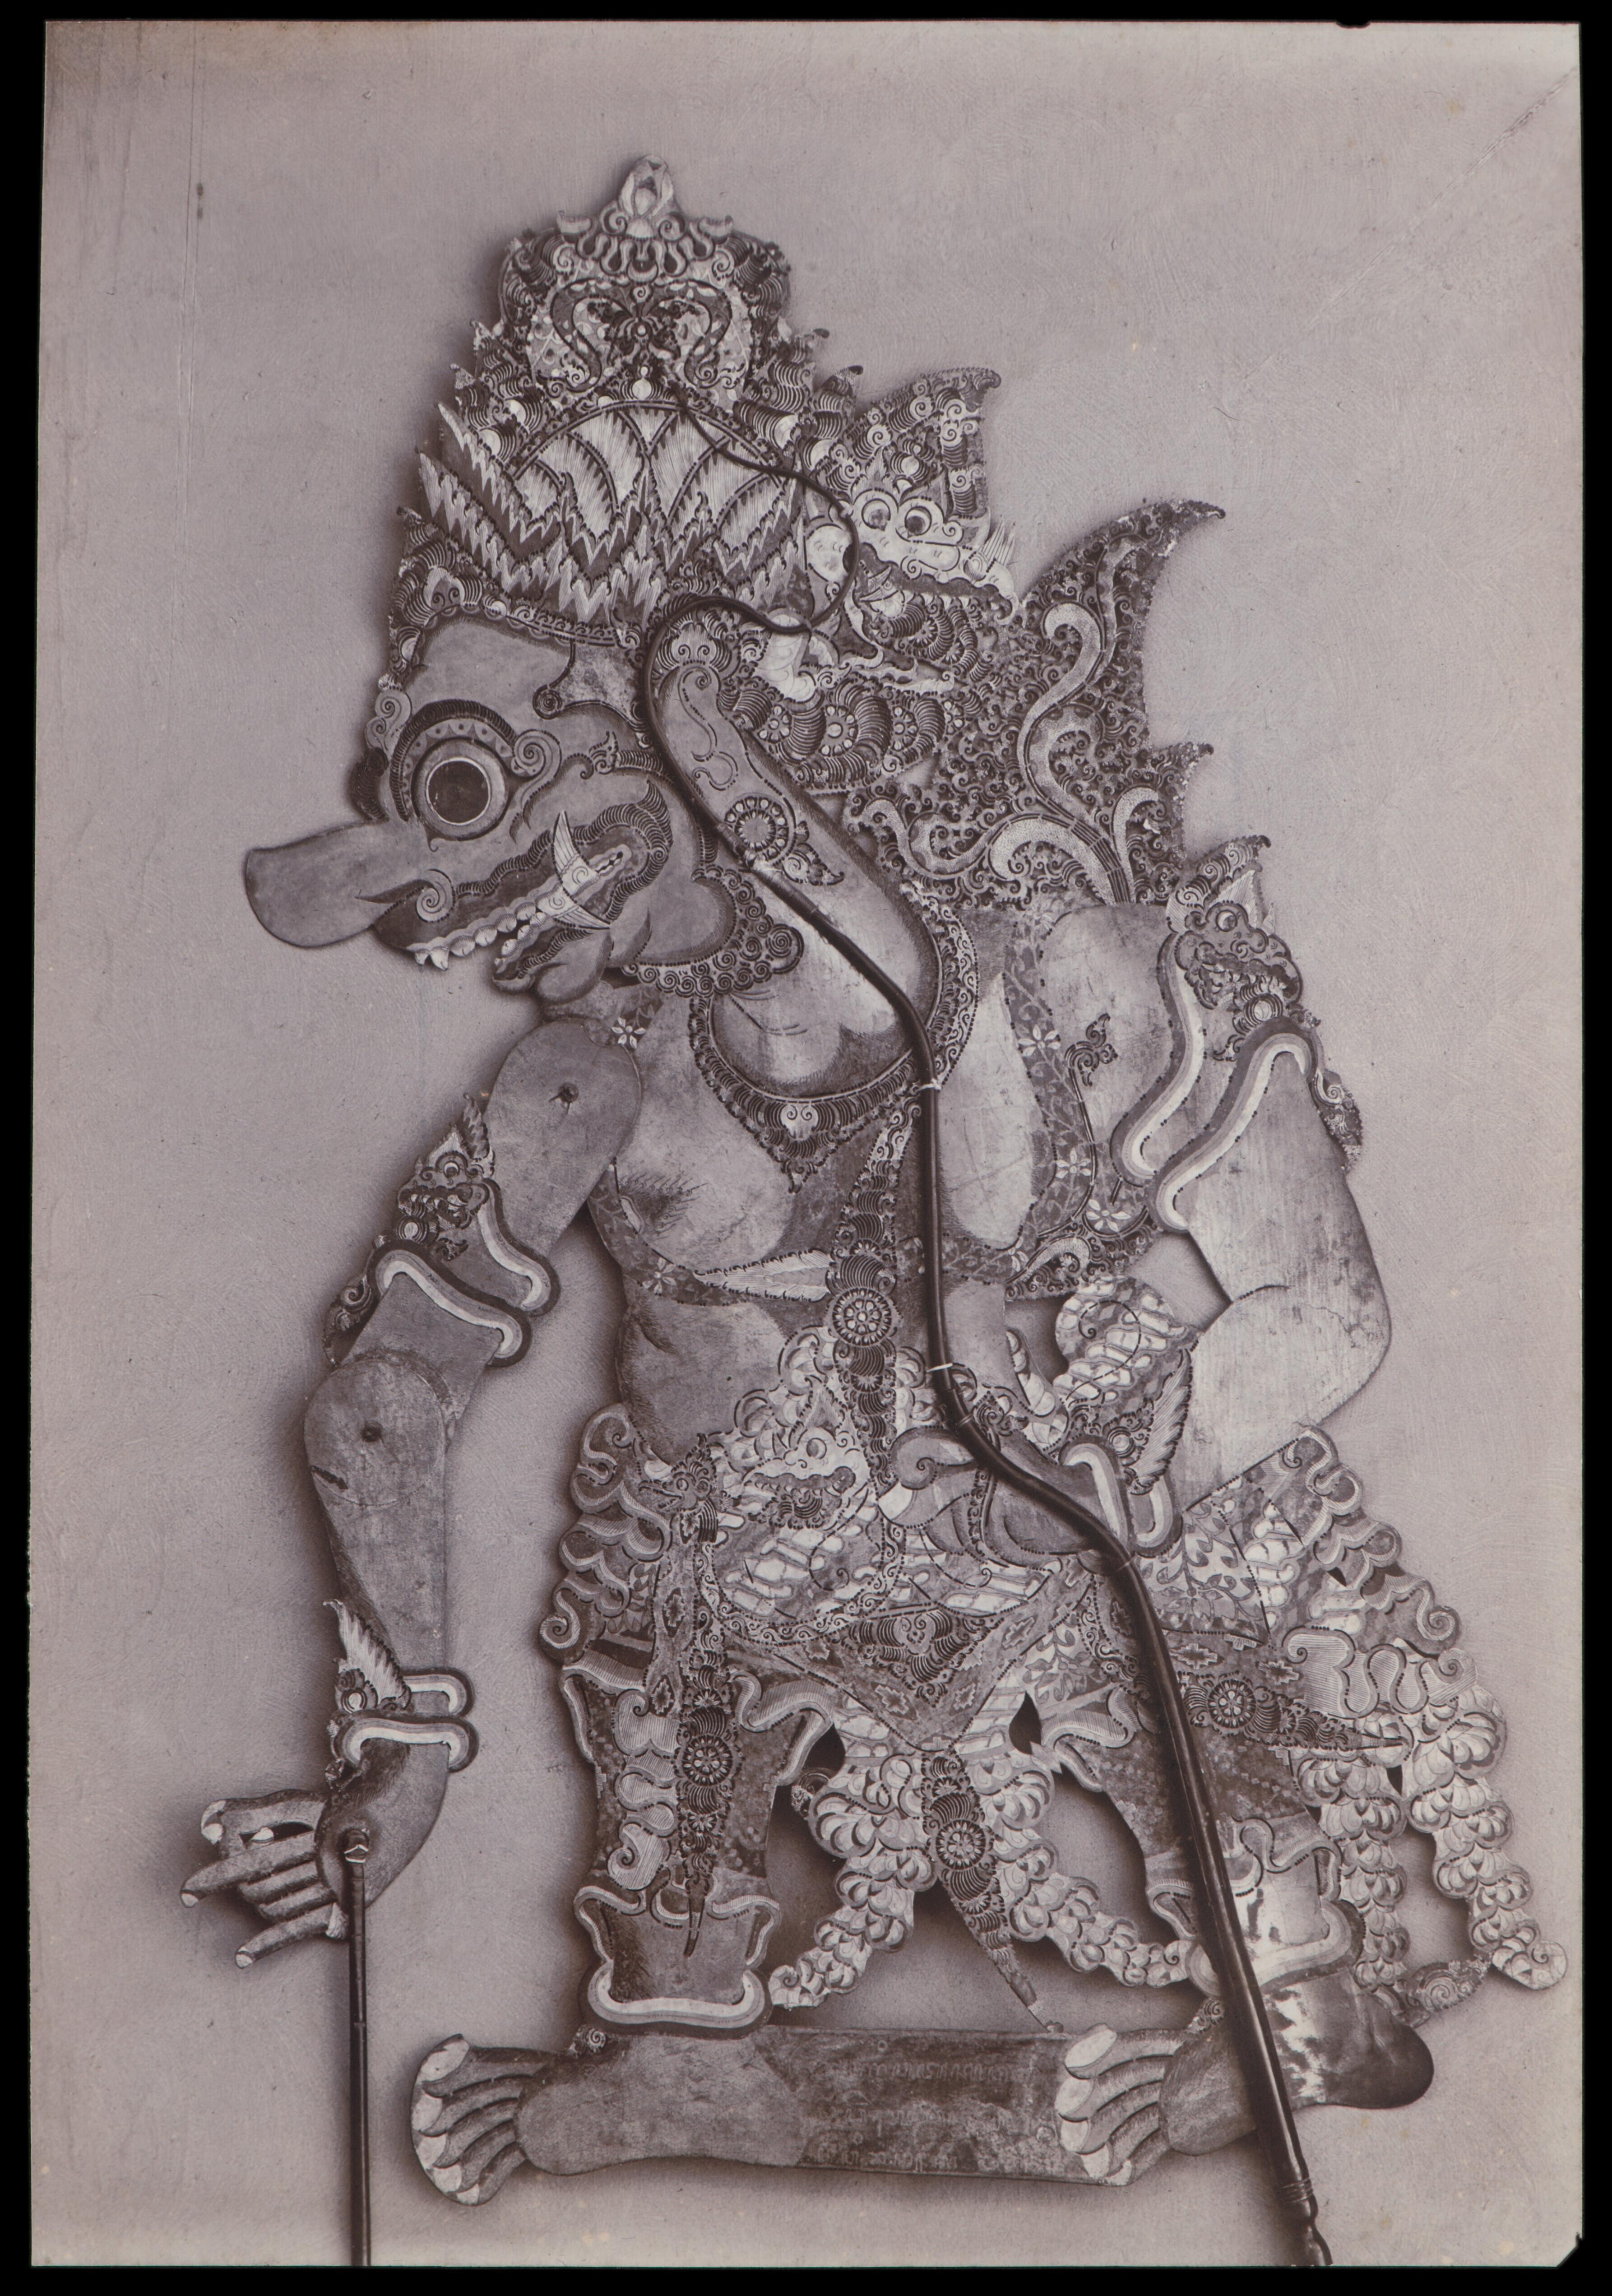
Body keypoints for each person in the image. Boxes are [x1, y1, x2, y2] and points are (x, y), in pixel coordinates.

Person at [182, 161, 1561, 2206]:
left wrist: (1128, 1450)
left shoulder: (1058, 960)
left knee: (1212, 1546)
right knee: (672, 1603)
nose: (421, 915)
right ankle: (699, 2062)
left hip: (1083, 1555)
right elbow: (386, 1394)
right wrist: (405, 1757)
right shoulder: (584, 1080)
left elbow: (1323, 1303)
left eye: (496, 793)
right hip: (736, 1611)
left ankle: (1284, 1982)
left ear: (693, 717)